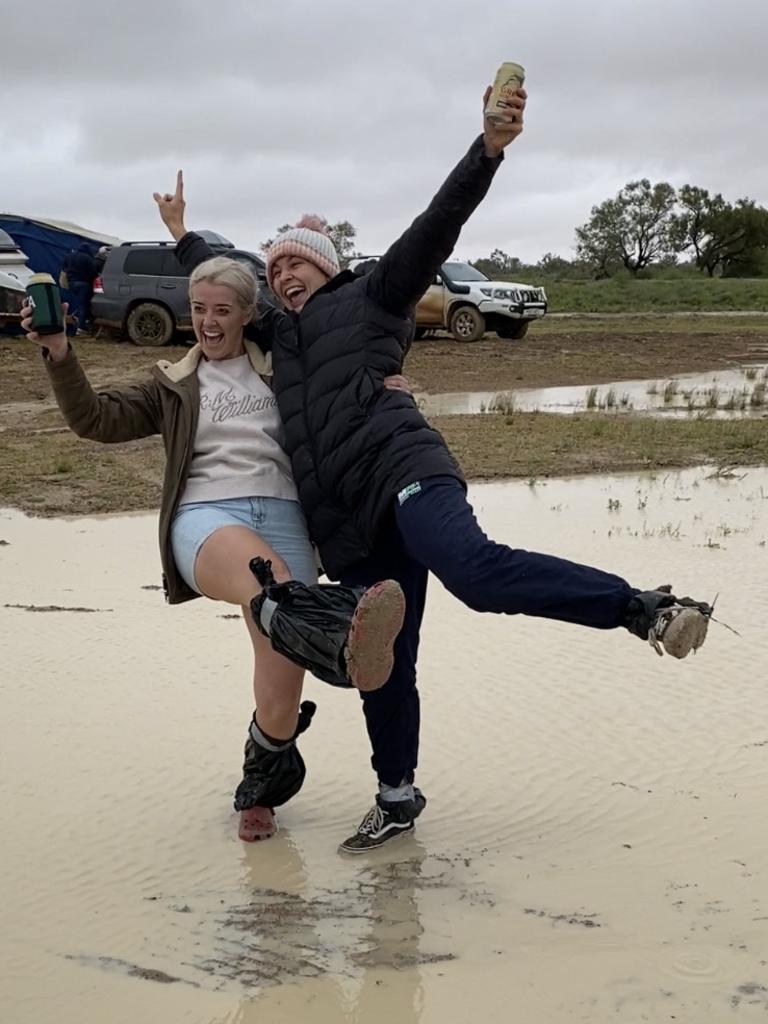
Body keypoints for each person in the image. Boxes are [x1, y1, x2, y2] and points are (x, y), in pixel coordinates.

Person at [155, 84, 713, 853]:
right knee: (385, 657)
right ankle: (395, 794)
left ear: (327, 269)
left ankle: (640, 607)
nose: (285, 272)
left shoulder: (376, 296)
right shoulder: (278, 338)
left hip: (403, 469)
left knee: (475, 573)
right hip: (351, 525)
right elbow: (232, 277)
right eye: (277, 265)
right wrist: (184, 237)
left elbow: (437, 224)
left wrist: (487, 149)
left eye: (298, 263)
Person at [20, 256, 408, 842]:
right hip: (208, 519)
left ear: (248, 315)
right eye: (199, 309)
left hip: (285, 518)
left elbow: (352, 362)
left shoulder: (287, 371)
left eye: (221, 310)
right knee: (269, 579)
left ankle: (260, 793)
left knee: (279, 694)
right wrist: (57, 351)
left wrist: (386, 386)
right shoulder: (172, 385)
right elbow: (93, 419)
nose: (207, 321)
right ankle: (343, 638)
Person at [60, 243, 99, 334]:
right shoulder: (88, 258)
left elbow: (63, 270)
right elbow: (93, 273)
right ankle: (81, 328)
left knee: (78, 304)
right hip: (83, 284)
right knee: (84, 305)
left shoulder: (69, 256)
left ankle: (77, 323)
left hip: (71, 284)